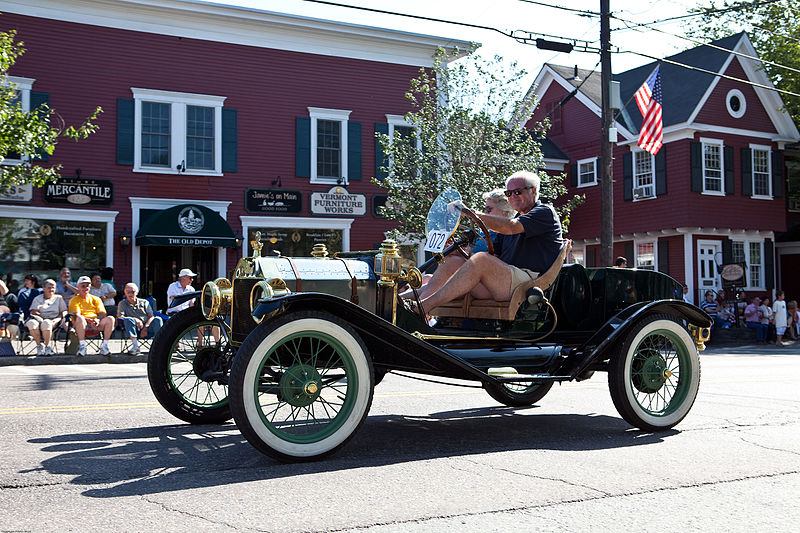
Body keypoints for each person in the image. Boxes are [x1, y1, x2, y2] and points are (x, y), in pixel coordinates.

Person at [412, 171, 563, 313]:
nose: (512, 196)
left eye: (518, 192)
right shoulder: (513, 221)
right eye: (508, 193)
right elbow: (493, 255)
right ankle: (404, 302)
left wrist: (469, 213)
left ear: (534, 191)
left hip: (529, 283)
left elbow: (511, 227)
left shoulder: (544, 212)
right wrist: (458, 252)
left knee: (482, 260)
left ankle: (421, 308)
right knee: (452, 261)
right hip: (503, 281)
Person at [68, 275, 115, 356]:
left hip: (96, 323)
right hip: (82, 324)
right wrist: (90, 320)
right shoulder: (74, 300)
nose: (85, 288)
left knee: (110, 319)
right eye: (83, 286)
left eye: (87, 285)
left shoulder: (96, 299)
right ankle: (82, 347)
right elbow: (76, 315)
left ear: (90, 287)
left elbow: (102, 314)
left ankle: (104, 347)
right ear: (78, 287)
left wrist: (97, 320)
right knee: (80, 318)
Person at [117, 282, 163, 355]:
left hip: (147, 326)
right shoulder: (122, 303)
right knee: (128, 319)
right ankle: (135, 346)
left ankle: (160, 346)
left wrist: (146, 327)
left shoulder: (144, 302)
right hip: (133, 327)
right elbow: (120, 317)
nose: (130, 294)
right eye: (128, 292)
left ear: (137, 292)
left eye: (132, 292)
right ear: (125, 293)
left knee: (158, 319)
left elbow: (151, 316)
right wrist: (135, 319)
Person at [25, 279, 67, 355]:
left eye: (53, 287)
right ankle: (39, 346)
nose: (51, 289)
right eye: (49, 288)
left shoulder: (59, 298)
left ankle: (47, 347)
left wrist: (56, 320)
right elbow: (33, 311)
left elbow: (63, 312)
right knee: (31, 323)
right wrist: (42, 317)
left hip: (53, 320)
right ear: (43, 288)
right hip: (39, 318)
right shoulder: (38, 298)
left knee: (46, 323)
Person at [471, 189, 516, 254]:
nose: (485, 212)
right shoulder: (483, 233)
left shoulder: (505, 237)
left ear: (504, 211)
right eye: (485, 209)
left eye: (489, 209)